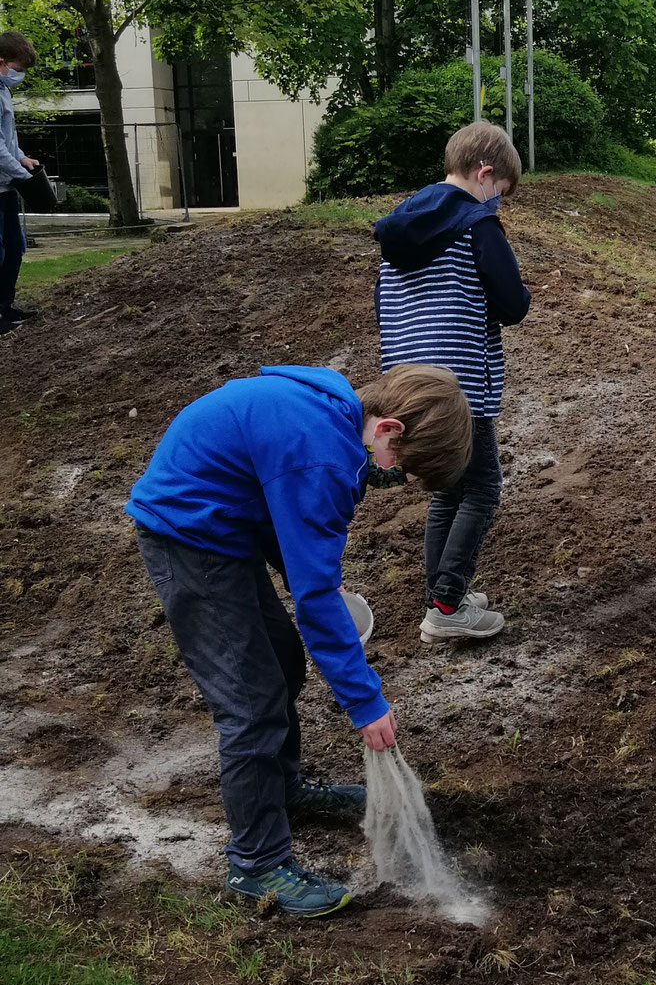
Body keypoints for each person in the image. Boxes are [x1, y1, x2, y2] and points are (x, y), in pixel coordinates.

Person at [125, 362, 472, 916]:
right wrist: (366, 703)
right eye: (400, 468)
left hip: (227, 525)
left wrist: (320, 589)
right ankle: (257, 862)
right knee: (250, 702)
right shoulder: (322, 457)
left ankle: (283, 790)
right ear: (388, 431)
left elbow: (294, 541)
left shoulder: (338, 415)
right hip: (188, 535)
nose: (394, 480)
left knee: (284, 661)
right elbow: (313, 599)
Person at [374, 121, 530, 645]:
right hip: (460, 385)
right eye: (500, 194)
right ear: (485, 174)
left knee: (447, 489)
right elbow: (514, 305)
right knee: (483, 487)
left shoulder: (399, 228)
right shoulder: (476, 224)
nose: (498, 205)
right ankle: (445, 606)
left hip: (407, 383)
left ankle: (442, 594)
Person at [0, 30, 41, 335]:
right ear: (2, 63)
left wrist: (22, 158)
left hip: (6, 186)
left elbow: (8, 139)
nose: (19, 76)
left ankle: (5, 306)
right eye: (18, 70)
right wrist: (21, 173)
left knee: (15, 247)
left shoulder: (4, 90)